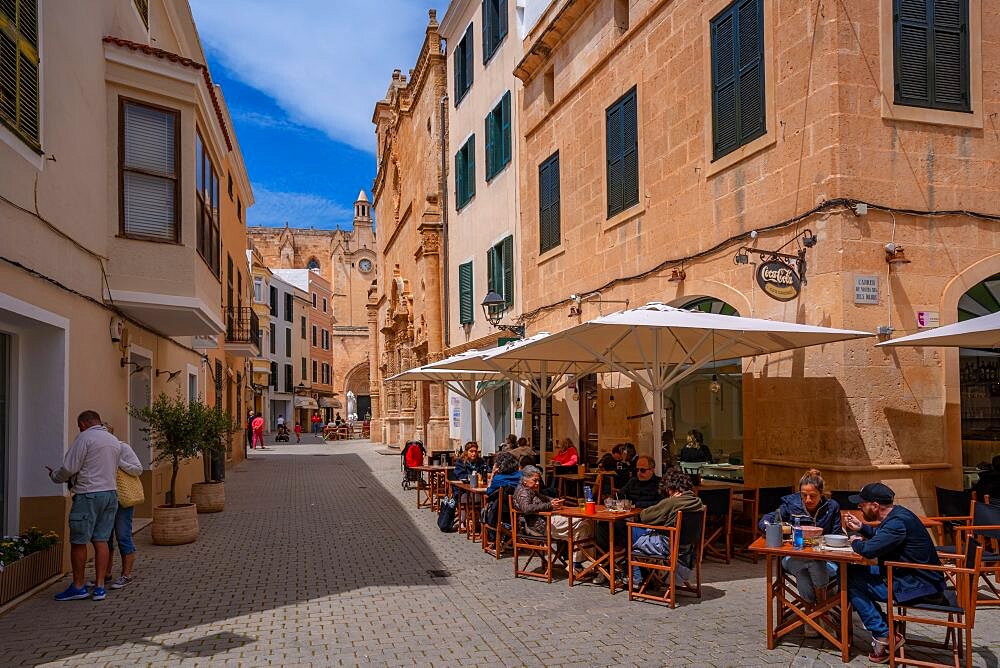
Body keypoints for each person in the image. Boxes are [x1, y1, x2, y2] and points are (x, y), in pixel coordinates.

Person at [844, 483, 946, 663]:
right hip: (912, 578)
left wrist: (853, 540)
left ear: (875, 506)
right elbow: (881, 536)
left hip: (918, 587)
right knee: (851, 571)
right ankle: (885, 628)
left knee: (849, 578)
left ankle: (884, 633)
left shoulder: (897, 523)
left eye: (862, 504)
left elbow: (868, 550)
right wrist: (862, 527)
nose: (859, 507)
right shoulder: (899, 515)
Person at [48, 411, 122, 601]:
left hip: (88, 494)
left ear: (83, 424)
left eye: (79, 425)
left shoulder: (84, 438)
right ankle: (99, 587)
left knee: (79, 541)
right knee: (102, 540)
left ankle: (79, 586)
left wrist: (55, 476)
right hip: (110, 494)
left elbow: (70, 467)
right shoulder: (113, 440)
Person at [759, 469, 841, 615]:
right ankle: (823, 610)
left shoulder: (831, 507)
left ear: (821, 494)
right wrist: (768, 528)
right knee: (813, 562)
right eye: (804, 495)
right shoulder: (791, 504)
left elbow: (836, 534)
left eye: (813, 496)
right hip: (793, 558)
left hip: (826, 559)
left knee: (805, 572)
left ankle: (810, 615)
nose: (808, 499)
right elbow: (770, 518)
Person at [630, 468, 705, 589]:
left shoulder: (672, 502)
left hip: (668, 547)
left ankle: (638, 578)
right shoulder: (698, 502)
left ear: (670, 488)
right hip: (688, 548)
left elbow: (644, 516)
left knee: (632, 531)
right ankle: (650, 578)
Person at [512, 466, 593, 566]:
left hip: (545, 521)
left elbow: (544, 497)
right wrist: (550, 505)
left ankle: (578, 563)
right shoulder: (523, 492)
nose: (537, 483)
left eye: (538, 480)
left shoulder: (530, 490)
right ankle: (581, 563)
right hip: (537, 526)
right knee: (582, 522)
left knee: (584, 525)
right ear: (525, 481)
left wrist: (553, 501)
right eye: (534, 480)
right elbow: (526, 508)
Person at [595, 455, 662, 567]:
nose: (639, 473)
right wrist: (612, 500)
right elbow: (619, 496)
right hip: (627, 518)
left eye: (643, 470)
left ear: (652, 470)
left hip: (646, 521)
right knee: (603, 524)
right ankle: (605, 560)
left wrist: (635, 505)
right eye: (637, 470)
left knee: (620, 526)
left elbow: (660, 504)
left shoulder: (659, 484)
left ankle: (624, 556)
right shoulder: (633, 481)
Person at [101, 423, 142, 590]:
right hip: (104, 499)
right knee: (105, 538)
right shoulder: (97, 452)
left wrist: (119, 462)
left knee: (123, 535)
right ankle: (106, 574)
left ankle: (126, 574)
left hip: (122, 499)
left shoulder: (122, 448)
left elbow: (138, 469)